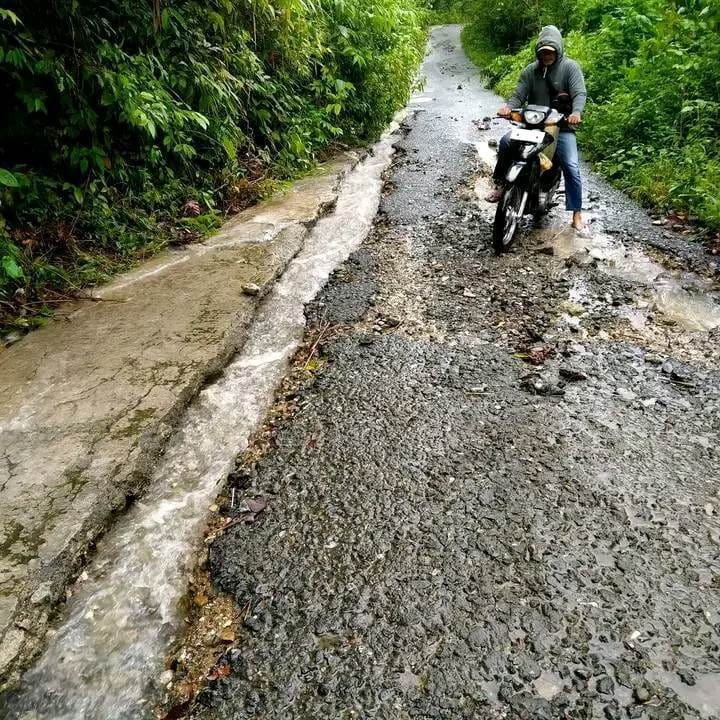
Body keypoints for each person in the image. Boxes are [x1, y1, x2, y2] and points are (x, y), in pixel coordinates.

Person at [486, 25, 587, 233]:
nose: (547, 55)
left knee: (571, 166)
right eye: (543, 52)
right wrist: (508, 107)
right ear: (538, 52)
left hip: (561, 128)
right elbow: (518, 95)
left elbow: (579, 93)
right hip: (531, 125)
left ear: (558, 50)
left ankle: (576, 213)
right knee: (506, 143)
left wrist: (576, 112)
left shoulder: (570, 68)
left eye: (551, 51)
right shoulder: (530, 71)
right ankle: (500, 184)